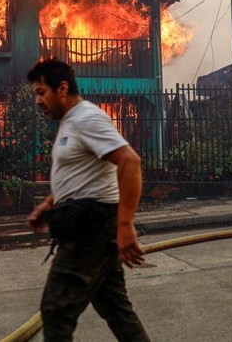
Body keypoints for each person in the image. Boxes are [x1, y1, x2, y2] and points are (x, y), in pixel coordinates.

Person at [26, 58, 150, 341]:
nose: (38, 101)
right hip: (92, 225)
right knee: (117, 310)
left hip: (91, 229)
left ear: (62, 88)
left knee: (56, 310)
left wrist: (125, 224)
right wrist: (47, 205)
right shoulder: (71, 122)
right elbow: (81, 176)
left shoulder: (86, 118)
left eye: (41, 92)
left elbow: (129, 162)